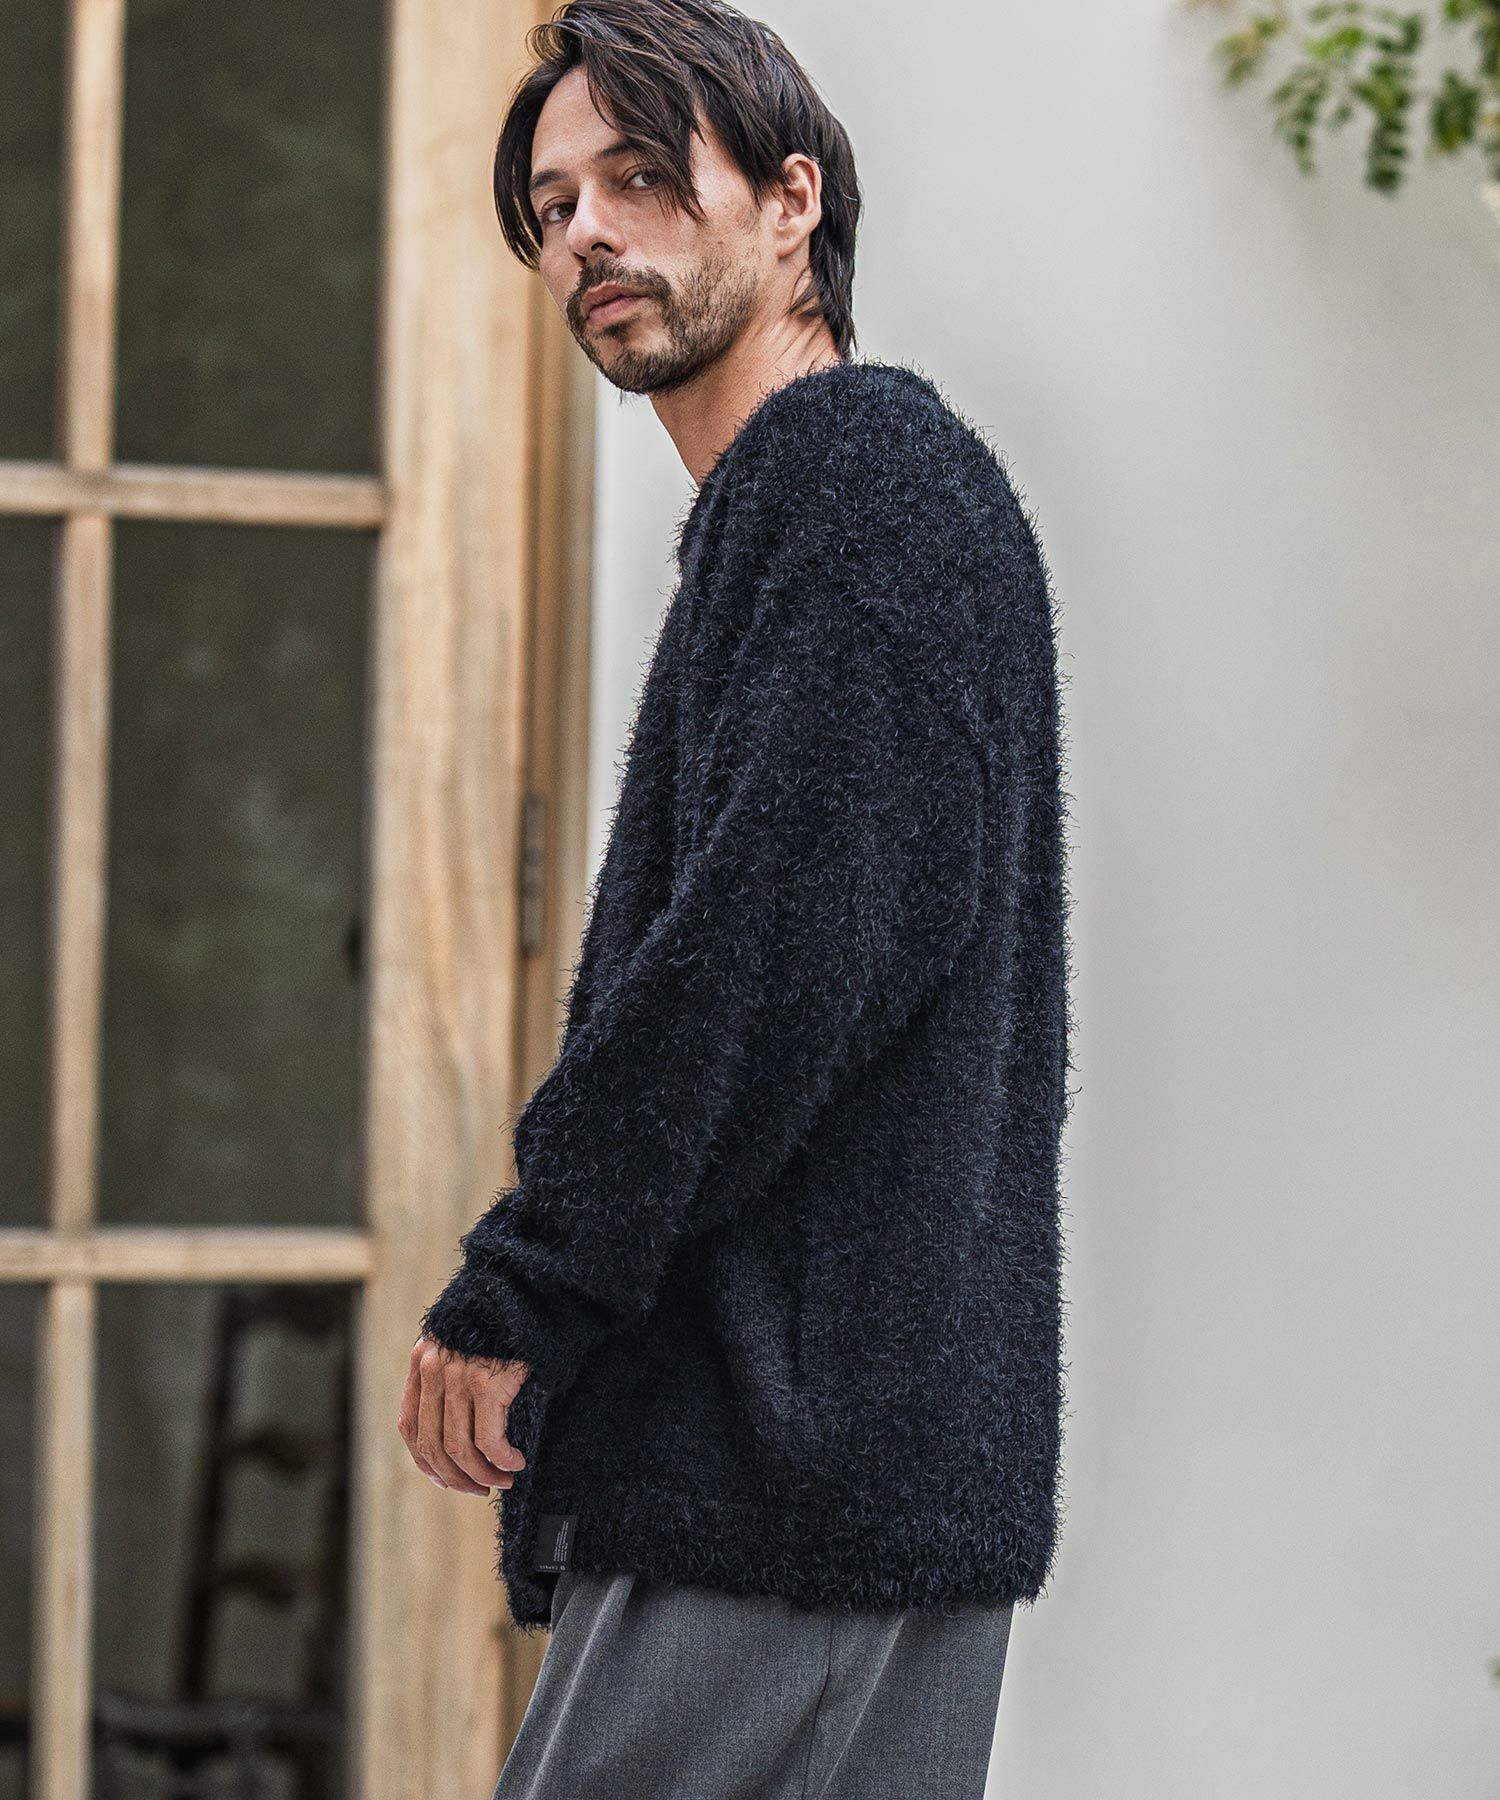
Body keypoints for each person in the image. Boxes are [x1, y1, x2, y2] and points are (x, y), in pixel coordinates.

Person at [395, 2, 1074, 1794]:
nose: (587, 234)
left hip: (785, 1489)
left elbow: (774, 953)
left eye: (639, 176)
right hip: (816, 1482)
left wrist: (527, 1279)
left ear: (790, 202)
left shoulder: (863, 484)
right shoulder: (814, 509)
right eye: (554, 208)